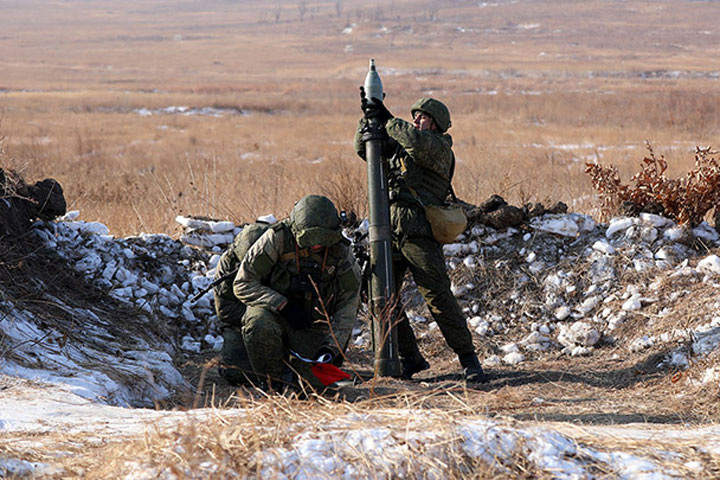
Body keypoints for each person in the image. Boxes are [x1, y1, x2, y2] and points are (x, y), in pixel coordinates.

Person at [354, 92, 487, 384]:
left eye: (423, 117)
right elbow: (364, 150)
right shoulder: (404, 146)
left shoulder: (439, 149)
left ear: (437, 124)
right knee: (379, 295)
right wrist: (368, 118)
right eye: (415, 115)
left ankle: (468, 359)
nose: (416, 120)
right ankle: (408, 357)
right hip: (388, 231)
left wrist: (387, 118)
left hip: (420, 232)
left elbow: (415, 144)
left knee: (438, 297)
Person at [232, 195, 361, 392]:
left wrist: (332, 347)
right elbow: (243, 283)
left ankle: (296, 372)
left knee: (313, 388)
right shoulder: (277, 238)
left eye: (322, 240)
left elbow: (348, 304)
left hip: (313, 327)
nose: (317, 246)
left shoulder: (341, 252)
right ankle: (271, 384)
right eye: (311, 240)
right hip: (276, 317)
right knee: (258, 323)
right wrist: (281, 304)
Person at [213, 220, 272, 386]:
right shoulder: (228, 265)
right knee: (236, 372)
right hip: (243, 326)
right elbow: (226, 311)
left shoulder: (281, 258)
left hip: (283, 321)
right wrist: (259, 315)